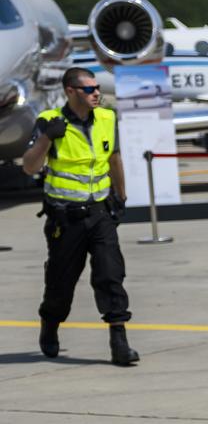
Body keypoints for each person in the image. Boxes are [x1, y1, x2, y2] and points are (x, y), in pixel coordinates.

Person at [22, 67, 137, 366]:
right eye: (89, 89)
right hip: (66, 218)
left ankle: (119, 341)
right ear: (71, 92)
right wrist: (47, 138)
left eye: (97, 87)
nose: (96, 93)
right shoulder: (49, 121)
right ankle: (50, 323)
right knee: (61, 284)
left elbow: (114, 158)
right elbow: (30, 167)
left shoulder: (107, 118)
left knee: (111, 274)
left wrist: (120, 197)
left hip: (100, 213)